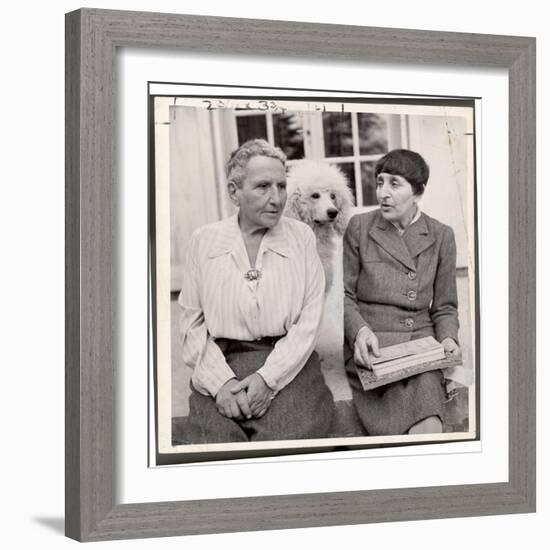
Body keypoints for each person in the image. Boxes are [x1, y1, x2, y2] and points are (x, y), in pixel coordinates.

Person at [178, 139, 334, 443]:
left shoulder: (301, 237)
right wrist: (220, 383)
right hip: (222, 360)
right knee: (215, 442)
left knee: (290, 439)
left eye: (281, 186)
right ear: (234, 192)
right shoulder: (204, 241)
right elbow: (192, 324)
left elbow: (310, 319)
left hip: (288, 363)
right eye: (263, 187)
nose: (276, 199)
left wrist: (268, 379)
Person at [343, 149, 461, 436]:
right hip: (371, 345)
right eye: (380, 182)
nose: (383, 192)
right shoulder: (360, 227)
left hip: (420, 346)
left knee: (428, 421)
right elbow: (344, 297)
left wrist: (447, 338)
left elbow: (445, 306)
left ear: (418, 191)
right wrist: (359, 332)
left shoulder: (441, 235)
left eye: (395, 184)